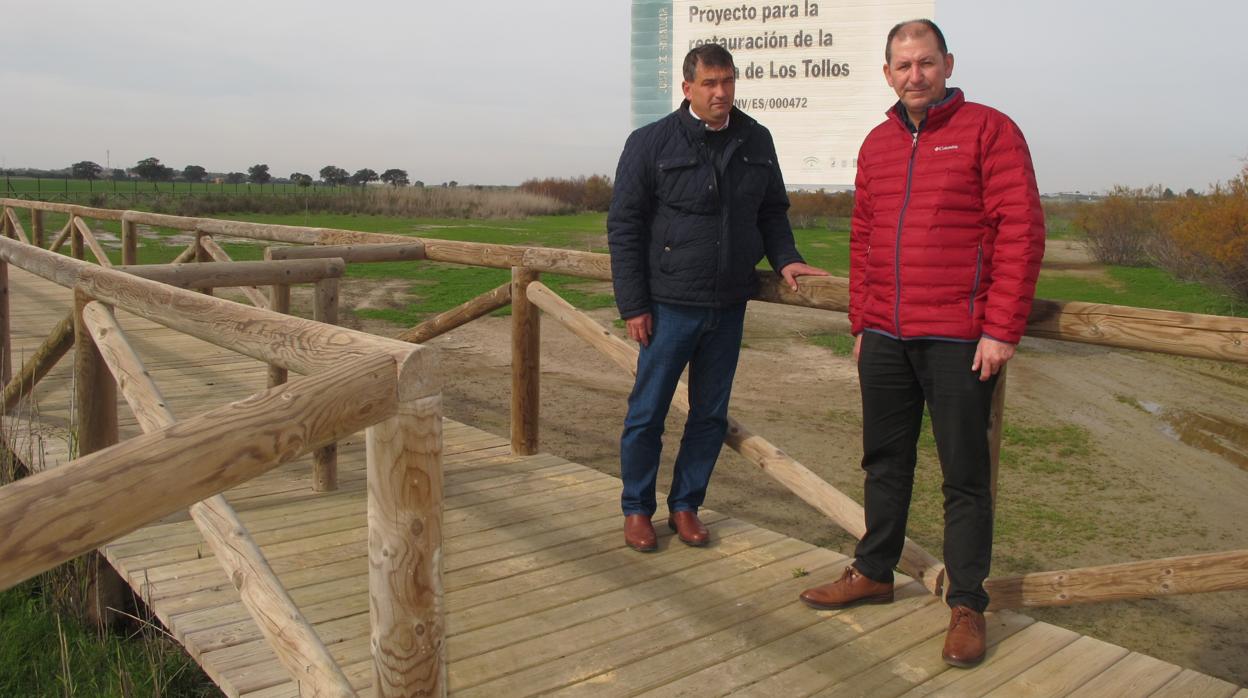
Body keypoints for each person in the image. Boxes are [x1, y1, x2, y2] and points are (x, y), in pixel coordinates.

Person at [798, 19, 1045, 668]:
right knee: (883, 462)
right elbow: (863, 238)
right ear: (887, 73)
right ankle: (873, 571)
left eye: (926, 63)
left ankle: (967, 604)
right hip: (885, 334)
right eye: (903, 65)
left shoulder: (990, 130)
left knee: (964, 477)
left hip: (960, 339)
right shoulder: (878, 143)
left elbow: (1021, 230)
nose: (916, 75)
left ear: (948, 63)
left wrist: (1000, 328)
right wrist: (861, 322)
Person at [608, 43, 828, 553]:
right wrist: (633, 305)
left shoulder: (756, 138)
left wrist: (787, 258)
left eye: (727, 81)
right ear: (687, 88)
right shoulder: (650, 142)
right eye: (709, 83)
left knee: (709, 415)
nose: (721, 92)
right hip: (667, 307)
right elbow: (624, 227)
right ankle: (637, 509)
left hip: (728, 306)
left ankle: (686, 505)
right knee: (647, 413)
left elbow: (772, 212)